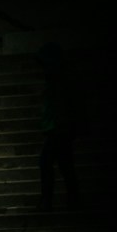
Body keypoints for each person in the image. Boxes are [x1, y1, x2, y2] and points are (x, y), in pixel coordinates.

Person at [37, 41, 86, 215]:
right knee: (65, 165)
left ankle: (48, 201)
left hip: (59, 129)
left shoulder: (59, 80)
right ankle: (71, 200)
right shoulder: (59, 79)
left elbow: (61, 106)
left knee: (48, 163)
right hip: (60, 128)